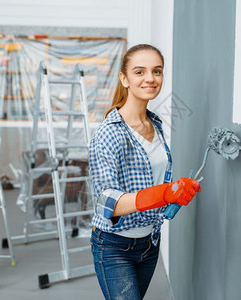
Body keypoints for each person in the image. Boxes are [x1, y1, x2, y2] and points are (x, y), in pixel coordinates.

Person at [89, 44, 201, 300]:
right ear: (124, 79)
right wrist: (164, 193)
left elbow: (153, 177)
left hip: (149, 242)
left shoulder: (156, 124)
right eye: (140, 72)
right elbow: (107, 202)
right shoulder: (109, 133)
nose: (150, 78)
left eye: (157, 71)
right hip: (113, 245)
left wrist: (176, 192)